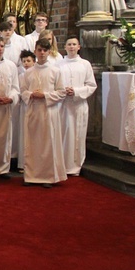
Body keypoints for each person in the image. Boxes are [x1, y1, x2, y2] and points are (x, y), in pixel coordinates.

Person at [20, 39, 67, 187]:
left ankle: (47, 176)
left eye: (44, 50)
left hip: (49, 111)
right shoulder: (28, 72)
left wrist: (45, 95)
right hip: (33, 111)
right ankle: (32, 175)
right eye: (39, 50)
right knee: (32, 144)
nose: (41, 53)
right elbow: (22, 91)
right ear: (35, 51)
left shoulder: (55, 71)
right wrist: (31, 94)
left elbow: (61, 92)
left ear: (48, 52)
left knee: (48, 143)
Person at [58, 36, 97, 176]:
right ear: (65, 47)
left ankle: (75, 166)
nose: (71, 47)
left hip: (78, 104)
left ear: (79, 47)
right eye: (69, 44)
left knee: (77, 135)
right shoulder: (59, 64)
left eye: (74, 44)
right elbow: (55, 84)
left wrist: (76, 91)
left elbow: (92, 85)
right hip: (63, 105)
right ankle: (62, 165)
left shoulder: (85, 64)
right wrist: (63, 91)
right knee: (63, 134)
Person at [0, 37, 20, 178]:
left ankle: (3, 169)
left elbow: (15, 87)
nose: (0, 49)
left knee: (5, 138)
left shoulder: (11, 65)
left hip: (6, 107)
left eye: (1, 46)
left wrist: (11, 97)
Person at [15, 50, 36, 173]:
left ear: (34, 61)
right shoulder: (21, 76)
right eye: (24, 61)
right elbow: (20, 90)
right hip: (25, 106)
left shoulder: (37, 73)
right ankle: (24, 164)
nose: (26, 63)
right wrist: (30, 95)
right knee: (25, 134)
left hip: (38, 106)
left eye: (28, 61)